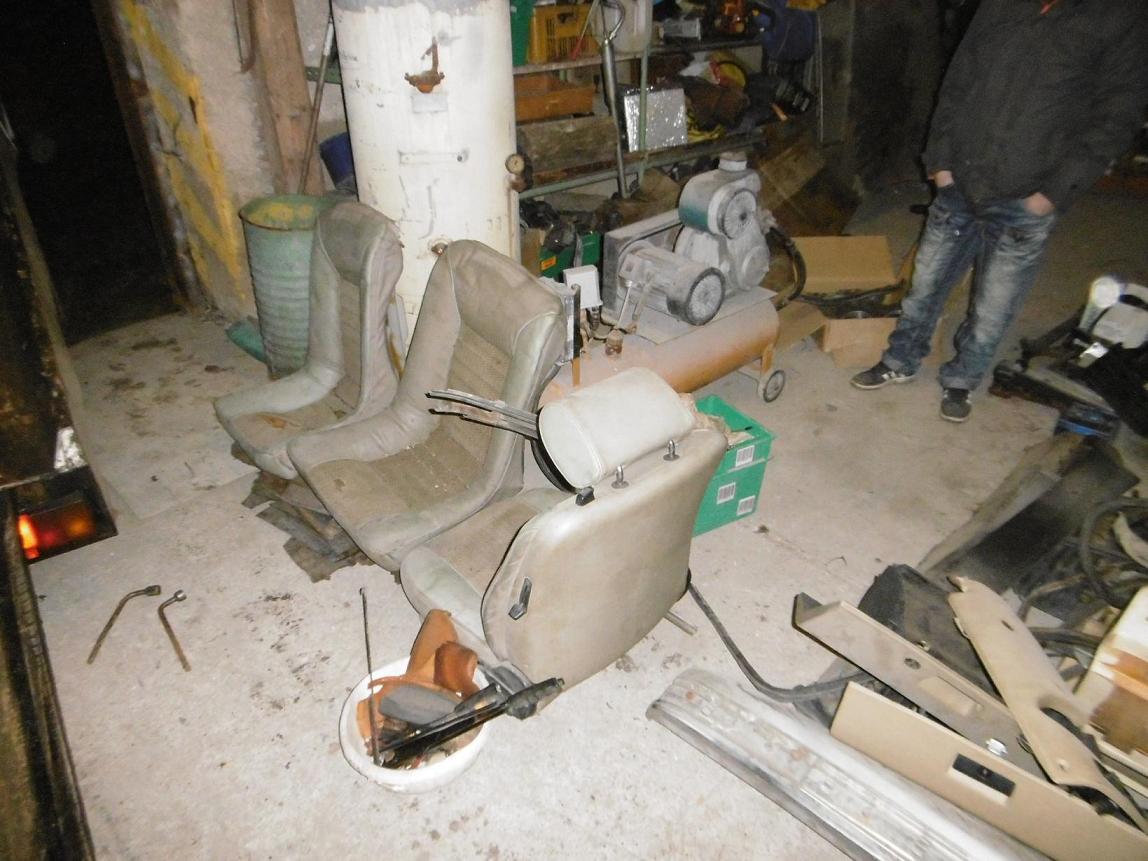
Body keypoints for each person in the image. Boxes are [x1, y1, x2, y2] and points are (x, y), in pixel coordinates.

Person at [851, 0, 1148, 422]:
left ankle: (962, 379)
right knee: (924, 287)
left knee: (993, 307)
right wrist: (940, 163)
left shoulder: (1119, 15)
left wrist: (1053, 193)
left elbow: (1117, 115)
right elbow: (957, 82)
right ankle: (900, 360)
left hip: (1027, 196)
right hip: (959, 182)